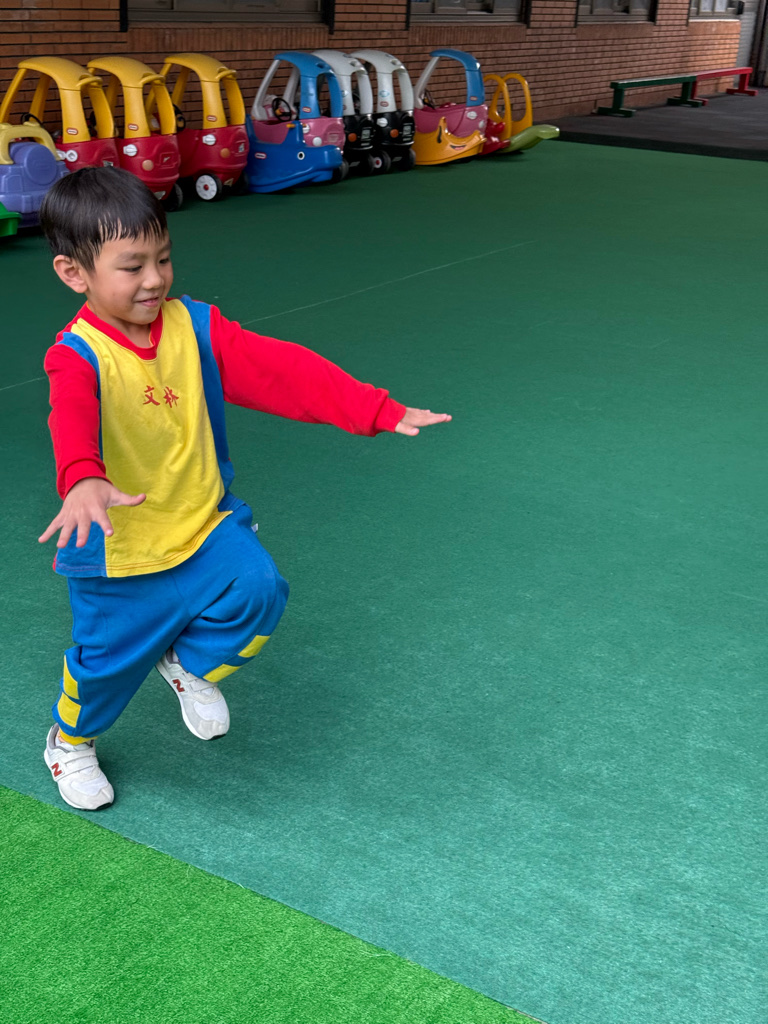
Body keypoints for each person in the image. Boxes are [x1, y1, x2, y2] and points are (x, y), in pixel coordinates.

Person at [38, 166, 451, 811]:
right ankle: (69, 742)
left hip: (203, 524)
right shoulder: (77, 355)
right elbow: (70, 417)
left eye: (163, 258)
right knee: (105, 667)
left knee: (259, 590)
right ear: (74, 273)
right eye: (132, 266)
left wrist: (373, 408)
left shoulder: (196, 327)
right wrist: (83, 478)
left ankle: (185, 664)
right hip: (119, 552)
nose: (155, 279)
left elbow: (280, 369)